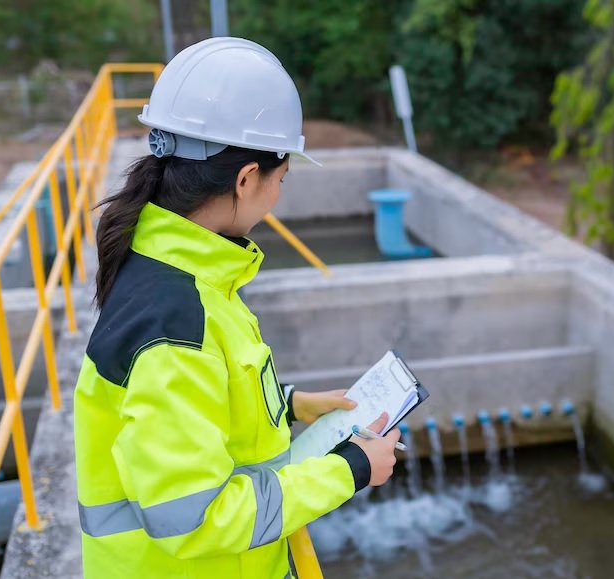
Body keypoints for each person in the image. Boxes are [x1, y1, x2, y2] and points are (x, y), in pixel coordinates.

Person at [73, 37, 401, 579]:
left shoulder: (179, 275)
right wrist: (349, 470)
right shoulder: (176, 321)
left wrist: (291, 404)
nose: (278, 194)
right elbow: (194, 519)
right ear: (247, 178)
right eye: (281, 177)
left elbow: (200, 402)